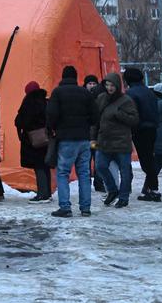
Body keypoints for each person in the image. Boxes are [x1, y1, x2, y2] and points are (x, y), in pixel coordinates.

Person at [48, 65, 99, 217]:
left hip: (66, 138)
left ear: (63, 76)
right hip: (84, 138)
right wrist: (86, 125)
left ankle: (65, 207)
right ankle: (85, 208)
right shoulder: (85, 93)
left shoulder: (57, 92)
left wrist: (54, 128)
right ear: (76, 77)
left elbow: (51, 115)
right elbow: (95, 116)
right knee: (84, 173)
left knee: (63, 172)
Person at [92, 72, 138, 208]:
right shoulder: (101, 98)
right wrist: (93, 138)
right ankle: (112, 190)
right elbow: (95, 120)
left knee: (125, 171)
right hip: (104, 141)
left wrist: (119, 114)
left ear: (117, 85)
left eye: (112, 85)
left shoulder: (126, 100)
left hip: (121, 142)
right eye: (107, 85)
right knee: (100, 166)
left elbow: (134, 120)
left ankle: (123, 197)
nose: (109, 88)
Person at [121, 68, 160, 202]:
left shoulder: (130, 94)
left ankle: (153, 190)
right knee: (149, 158)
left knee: (146, 161)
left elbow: (132, 114)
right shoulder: (149, 92)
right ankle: (152, 189)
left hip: (140, 130)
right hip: (152, 128)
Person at [14, 81, 51, 203]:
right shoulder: (46, 102)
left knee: (38, 166)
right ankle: (47, 193)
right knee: (45, 166)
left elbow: (21, 121)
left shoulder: (29, 103)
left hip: (33, 139)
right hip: (46, 138)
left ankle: (42, 194)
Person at [83, 74, 106, 193]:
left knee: (97, 159)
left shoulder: (100, 98)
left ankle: (98, 182)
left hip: (96, 136)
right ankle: (87, 182)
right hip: (86, 135)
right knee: (86, 160)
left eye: (94, 83)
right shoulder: (82, 97)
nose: (92, 86)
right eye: (89, 83)